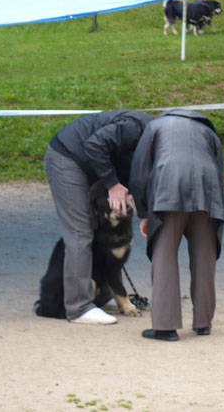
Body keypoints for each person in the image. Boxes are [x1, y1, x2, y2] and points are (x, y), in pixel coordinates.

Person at [44, 109, 153, 325]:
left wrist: (144, 213)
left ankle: (96, 292)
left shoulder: (150, 139)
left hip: (86, 162)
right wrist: (112, 184)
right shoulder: (134, 127)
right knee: (81, 230)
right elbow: (94, 145)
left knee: (99, 233)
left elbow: (134, 177)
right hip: (67, 158)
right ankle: (78, 308)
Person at [129, 108, 224, 341]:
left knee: (164, 256)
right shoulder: (208, 131)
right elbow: (220, 170)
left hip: (168, 192)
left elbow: (140, 173)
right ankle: (203, 323)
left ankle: (165, 326)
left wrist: (144, 214)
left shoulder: (154, 127)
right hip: (207, 192)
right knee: (204, 254)